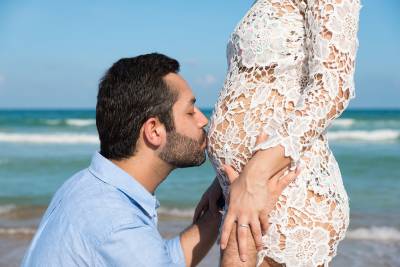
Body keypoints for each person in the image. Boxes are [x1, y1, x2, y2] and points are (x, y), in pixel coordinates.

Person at [21, 53, 299, 267]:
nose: (204, 120)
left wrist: (223, 208)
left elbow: (157, 259)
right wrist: (246, 225)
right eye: (191, 112)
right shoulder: (117, 225)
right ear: (154, 131)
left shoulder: (86, 186)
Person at [207, 0, 361, 266]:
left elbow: (333, 88)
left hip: (286, 190)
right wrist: (223, 176)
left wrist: (254, 174)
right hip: (251, 184)